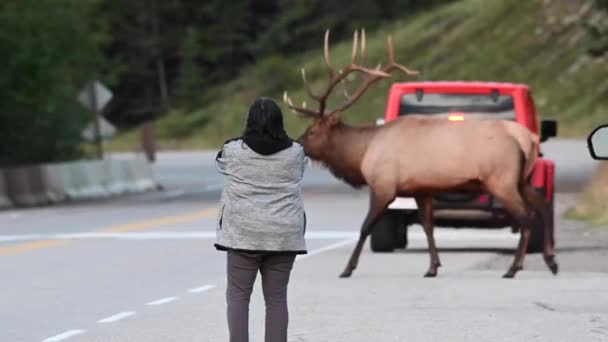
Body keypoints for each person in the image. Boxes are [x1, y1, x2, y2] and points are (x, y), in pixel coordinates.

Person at [214, 97, 308, 342]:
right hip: (284, 236)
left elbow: (220, 164)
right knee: (276, 299)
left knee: (238, 297)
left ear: (249, 122)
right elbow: (302, 169)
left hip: (243, 235)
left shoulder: (233, 150)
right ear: (280, 122)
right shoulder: (296, 152)